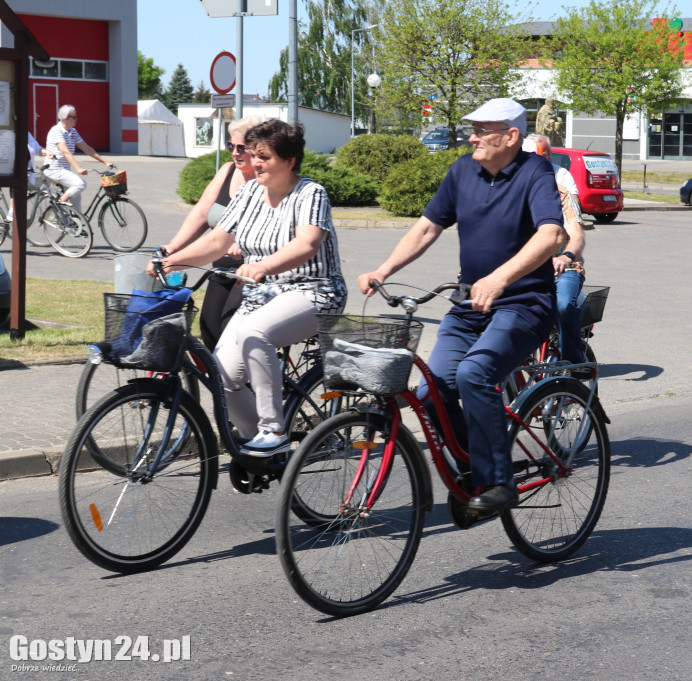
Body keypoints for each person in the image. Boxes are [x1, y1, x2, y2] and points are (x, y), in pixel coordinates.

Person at [357, 98, 565, 514]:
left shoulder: (534, 171)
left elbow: (552, 236)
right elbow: (427, 228)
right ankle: (473, 471)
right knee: (431, 391)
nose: (471, 136)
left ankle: (498, 482)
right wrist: (383, 269)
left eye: (482, 130)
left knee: (474, 374)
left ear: (510, 136)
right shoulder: (461, 171)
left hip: (524, 305)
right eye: (471, 128)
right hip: (469, 305)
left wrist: (500, 278)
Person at [155, 120, 347, 457]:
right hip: (264, 296)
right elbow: (218, 240)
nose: (255, 162)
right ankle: (256, 448)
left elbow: (308, 243)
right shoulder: (249, 192)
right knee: (222, 376)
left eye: (265, 156)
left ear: (289, 161)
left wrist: (264, 265)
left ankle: (272, 431)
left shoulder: (310, 193)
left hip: (315, 292)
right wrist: (171, 260)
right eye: (254, 154)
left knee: (257, 333)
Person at [160, 115, 267, 349]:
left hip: (253, 273)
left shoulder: (266, 181)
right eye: (231, 146)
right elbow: (201, 213)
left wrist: (243, 243)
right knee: (209, 332)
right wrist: (173, 248)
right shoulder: (228, 171)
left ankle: (252, 383)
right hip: (221, 268)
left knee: (232, 336)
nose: (235, 153)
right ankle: (229, 385)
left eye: (242, 148)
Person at [522, 133, 587, 367]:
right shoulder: (512, 192)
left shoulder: (561, 190)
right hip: (526, 269)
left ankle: (572, 362)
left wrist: (566, 256)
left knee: (561, 304)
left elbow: (577, 234)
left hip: (564, 268)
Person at [43, 105, 112, 212]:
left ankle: (77, 225)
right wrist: (78, 168)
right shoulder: (56, 130)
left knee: (76, 197)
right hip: (54, 169)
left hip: (64, 171)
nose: (76, 119)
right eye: (74, 117)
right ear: (66, 118)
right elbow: (65, 151)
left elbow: (87, 148)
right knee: (80, 184)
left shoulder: (72, 132)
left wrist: (105, 161)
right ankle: (56, 209)